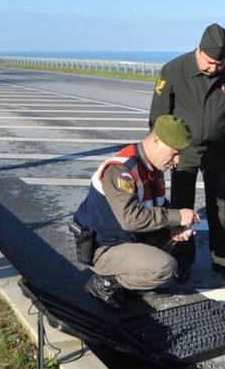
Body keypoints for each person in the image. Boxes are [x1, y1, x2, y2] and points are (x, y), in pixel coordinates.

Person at [149, 23, 225, 283]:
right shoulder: (173, 70)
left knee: (219, 207)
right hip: (184, 152)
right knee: (182, 207)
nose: (215, 68)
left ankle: (222, 260)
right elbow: (159, 118)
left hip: (219, 151)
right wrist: (168, 152)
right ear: (199, 50)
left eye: (220, 63)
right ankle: (183, 261)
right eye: (209, 62)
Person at [73, 115, 201, 309]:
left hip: (127, 238)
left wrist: (177, 226)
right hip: (103, 247)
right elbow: (131, 219)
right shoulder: (121, 169)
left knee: (182, 236)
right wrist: (177, 216)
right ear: (157, 142)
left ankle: (135, 281)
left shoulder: (151, 167)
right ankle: (105, 284)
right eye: (174, 153)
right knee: (164, 267)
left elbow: (157, 205)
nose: (177, 161)